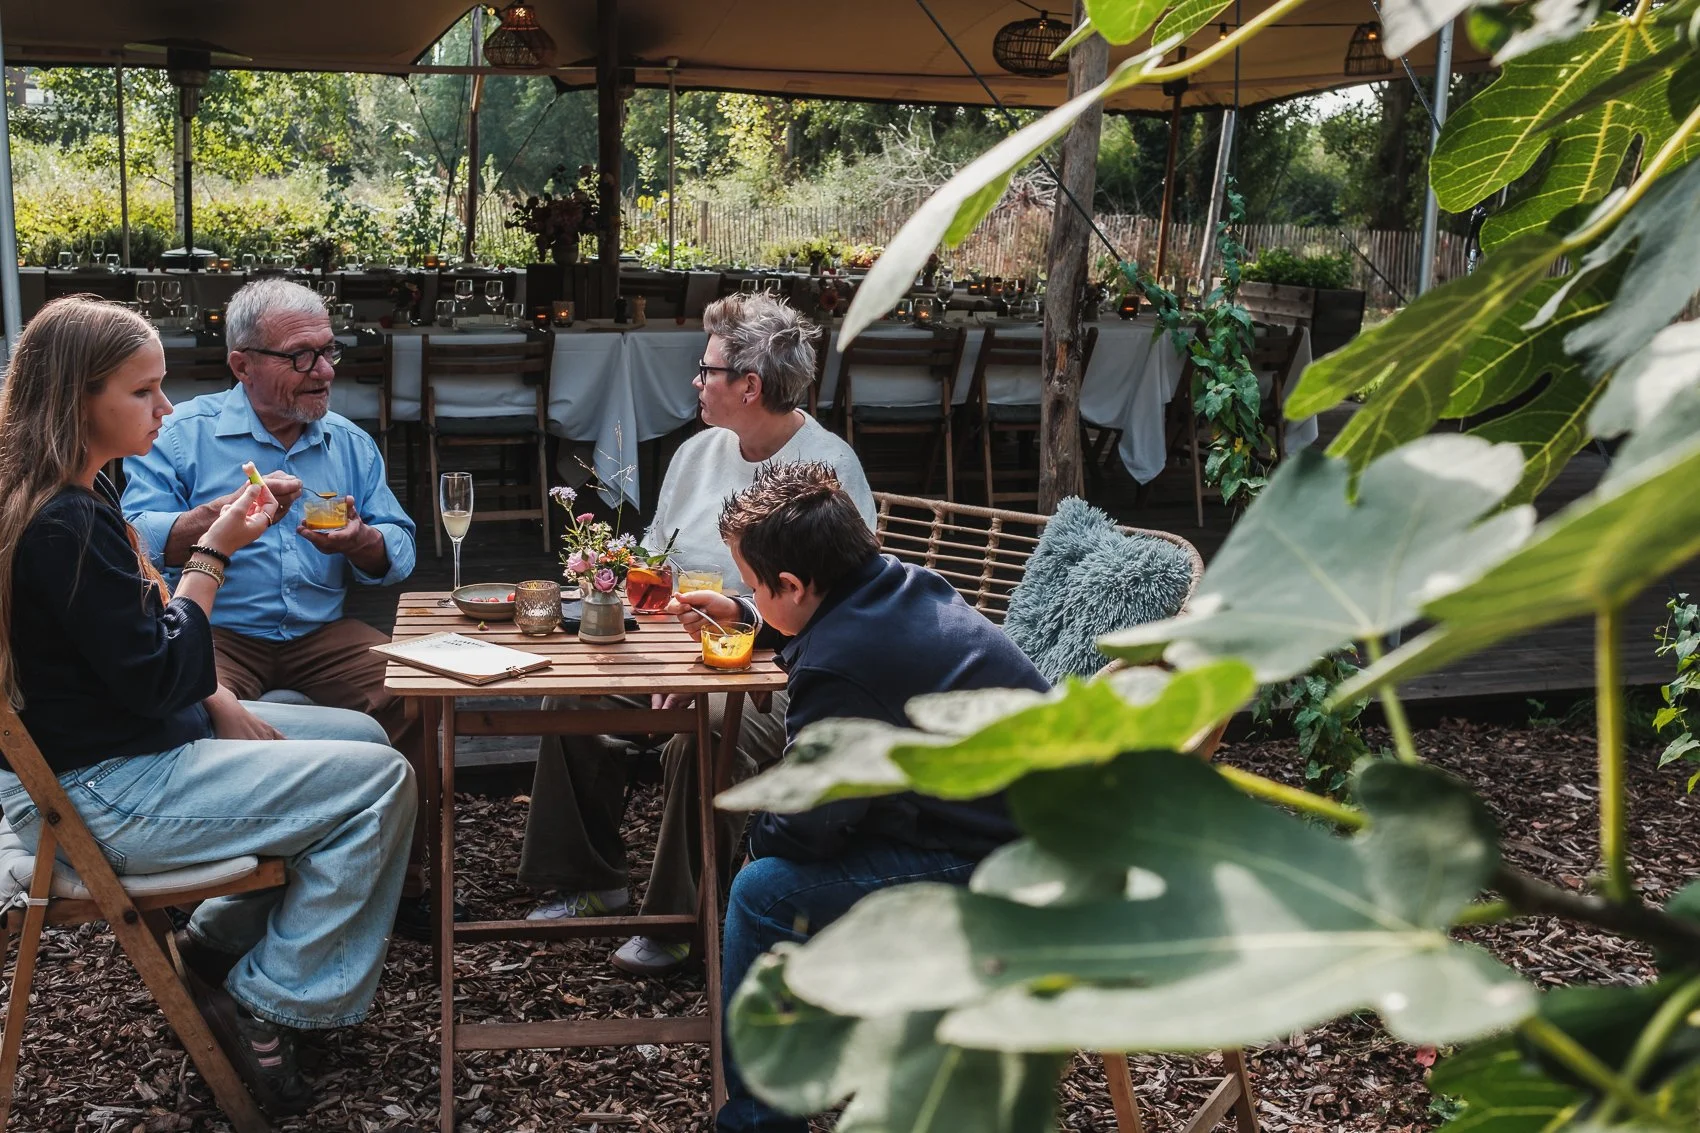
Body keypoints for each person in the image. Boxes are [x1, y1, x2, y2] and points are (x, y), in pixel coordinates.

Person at [0, 296, 416, 1116]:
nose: (165, 408)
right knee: (377, 784)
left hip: (130, 746)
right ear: (78, 398)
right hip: (102, 791)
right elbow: (163, 669)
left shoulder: (74, 500)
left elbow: (145, 663)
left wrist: (217, 692)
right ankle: (276, 996)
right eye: (143, 392)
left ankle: (213, 942)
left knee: (362, 735)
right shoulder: (64, 526)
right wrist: (217, 548)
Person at [663, 461, 1049, 1132]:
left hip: (1007, 862)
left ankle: (758, 1119)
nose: (750, 592)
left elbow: (810, 823)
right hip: (1016, 816)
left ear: (793, 582)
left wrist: (756, 838)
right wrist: (752, 615)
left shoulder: (841, 659)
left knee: (761, 893)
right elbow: (822, 629)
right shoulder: (894, 587)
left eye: (754, 584)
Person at [518, 292, 876, 976]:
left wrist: (709, 663)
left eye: (707, 369)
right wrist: (632, 606)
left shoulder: (825, 470)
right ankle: (591, 877)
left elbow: (835, 608)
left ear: (749, 385)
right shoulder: (696, 452)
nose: (695, 380)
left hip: (780, 675)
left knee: (707, 730)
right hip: (680, 648)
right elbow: (658, 557)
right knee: (569, 702)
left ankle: (681, 920)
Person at [120, 279, 442, 937]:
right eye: (301, 356)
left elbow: (402, 547)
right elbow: (129, 531)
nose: (322, 371)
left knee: (414, 692)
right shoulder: (184, 433)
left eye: (328, 352)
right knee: (187, 705)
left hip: (320, 631)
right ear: (243, 363)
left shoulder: (347, 442)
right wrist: (208, 525)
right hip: (214, 628)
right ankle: (208, 889)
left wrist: (363, 541)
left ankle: (402, 885)